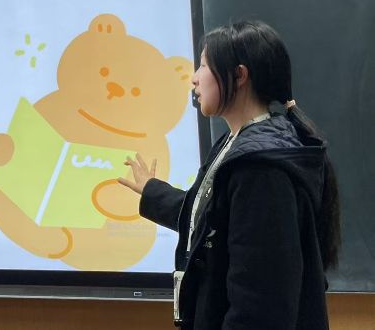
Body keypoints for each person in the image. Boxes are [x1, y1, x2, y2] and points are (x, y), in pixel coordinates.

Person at [118, 21, 340, 330]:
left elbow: (261, 306)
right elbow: (213, 217)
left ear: (239, 75)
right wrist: (153, 192)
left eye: (204, 66)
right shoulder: (237, 142)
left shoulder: (260, 169)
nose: (194, 78)